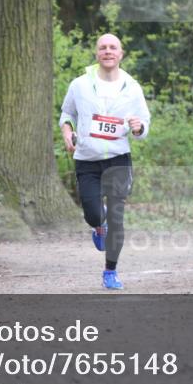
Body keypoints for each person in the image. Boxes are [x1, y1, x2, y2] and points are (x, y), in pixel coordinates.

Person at [59, 33, 151, 290]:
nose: (108, 51)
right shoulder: (79, 84)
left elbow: (144, 126)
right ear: (97, 54)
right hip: (87, 159)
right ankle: (99, 225)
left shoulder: (132, 88)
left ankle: (110, 271)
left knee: (117, 216)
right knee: (92, 213)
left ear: (121, 54)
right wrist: (67, 131)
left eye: (113, 47)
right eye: (103, 48)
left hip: (118, 159)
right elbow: (67, 113)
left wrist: (138, 127)